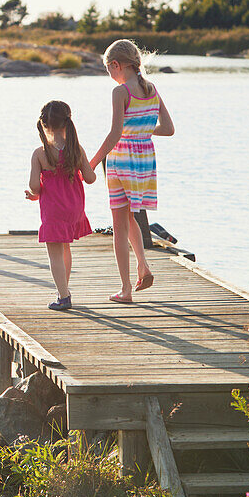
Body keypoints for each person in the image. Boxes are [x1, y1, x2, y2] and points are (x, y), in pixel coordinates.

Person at [88, 39, 175, 303]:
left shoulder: (120, 92)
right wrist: (142, 130)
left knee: (118, 222)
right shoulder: (151, 89)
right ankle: (143, 265)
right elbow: (169, 129)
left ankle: (125, 289)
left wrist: (90, 163)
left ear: (116, 65)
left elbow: (115, 134)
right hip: (144, 160)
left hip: (122, 159)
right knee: (129, 217)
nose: (110, 75)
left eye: (108, 69)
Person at [24, 100, 97, 310]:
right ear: (67, 123)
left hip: (53, 211)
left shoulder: (40, 153)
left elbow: (34, 187)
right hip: (74, 209)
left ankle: (63, 297)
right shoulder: (77, 149)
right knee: (65, 248)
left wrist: (33, 194)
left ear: (45, 125)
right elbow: (90, 179)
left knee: (54, 253)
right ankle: (63, 289)